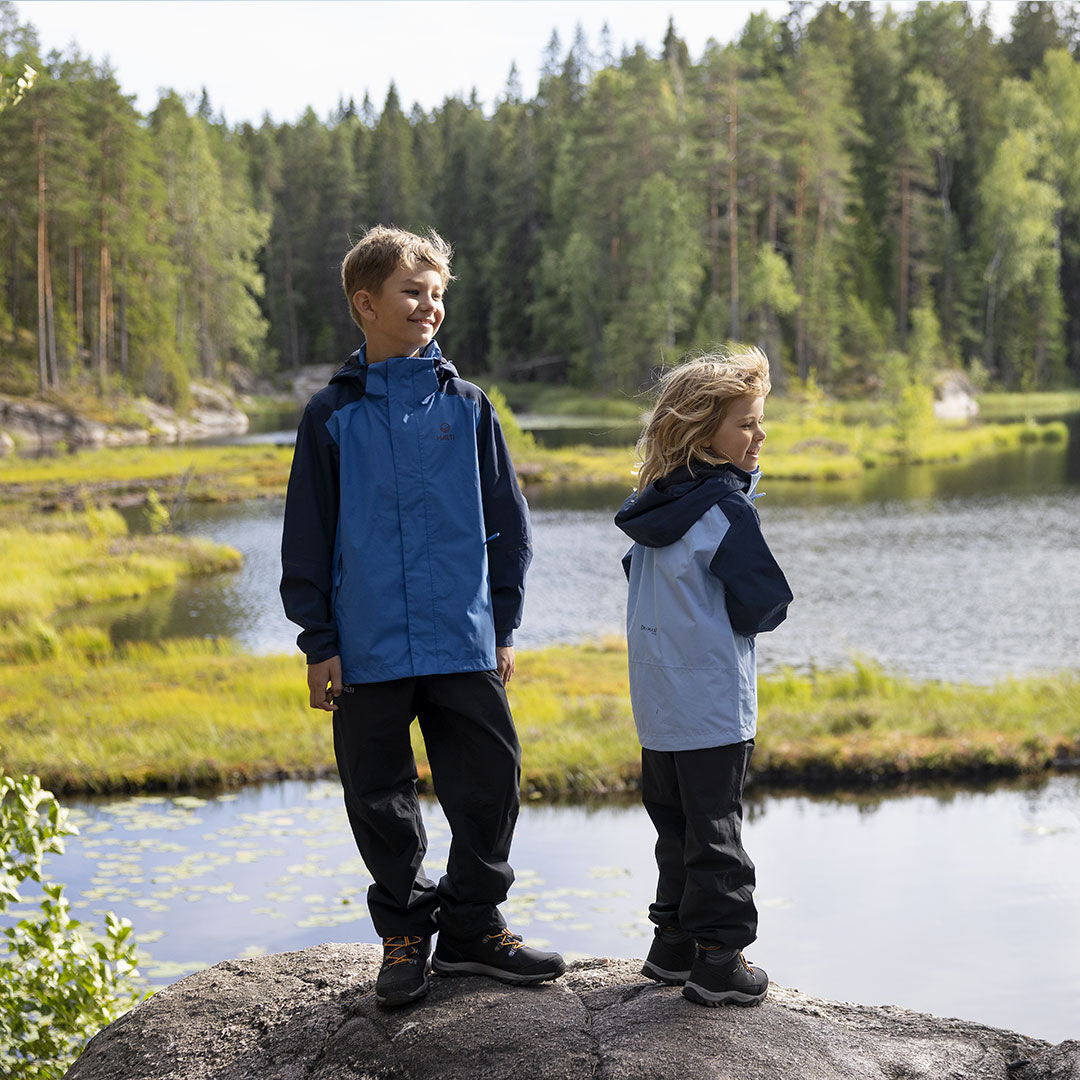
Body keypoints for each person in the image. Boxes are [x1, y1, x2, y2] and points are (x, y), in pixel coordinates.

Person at [280, 224, 564, 1008]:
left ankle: (473, 928)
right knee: (378, 792)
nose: (429, 306)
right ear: (365, 305)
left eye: (438, 294)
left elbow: (508, 523)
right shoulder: (330, 417)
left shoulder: (470, 409)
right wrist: (318, 641)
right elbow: (306, 534)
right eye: (413, 292)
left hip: (463, 635)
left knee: (492, 779)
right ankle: (405, 932)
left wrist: (502, 625)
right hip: (364, 645)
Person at [613, 348, 792, 1008]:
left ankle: (672, 945)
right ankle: (719, 960)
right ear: (699, 431)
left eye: (759, 421)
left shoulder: (649, 509)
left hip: (658, 707)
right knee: (716, 830)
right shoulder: (723, 511)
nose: (759, 435)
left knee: (677, 826)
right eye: (746, 423)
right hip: (713, 701)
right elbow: (766, 603)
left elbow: (641, 585)